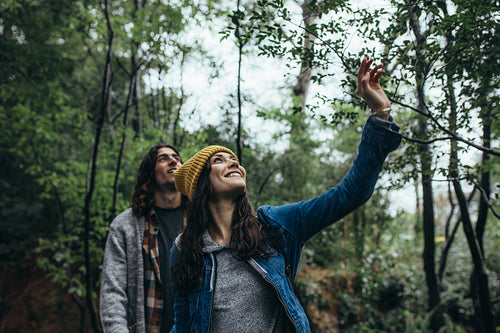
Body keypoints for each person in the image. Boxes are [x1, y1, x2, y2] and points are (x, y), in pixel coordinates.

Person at [169, 58, 402, 332]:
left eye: (234, 159)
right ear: (200, 186)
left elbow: (350, 193)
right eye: (219, 161)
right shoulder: (186, 250)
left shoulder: (274, 228)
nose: (234, 163)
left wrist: (380, 113)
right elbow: (183, 325)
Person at [100, 144, 189, 333]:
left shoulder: (200, 220)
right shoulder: (125, 226)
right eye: (163, 158)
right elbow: (112, 292)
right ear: (150, 173)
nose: (174, 160)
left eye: (176, 157)